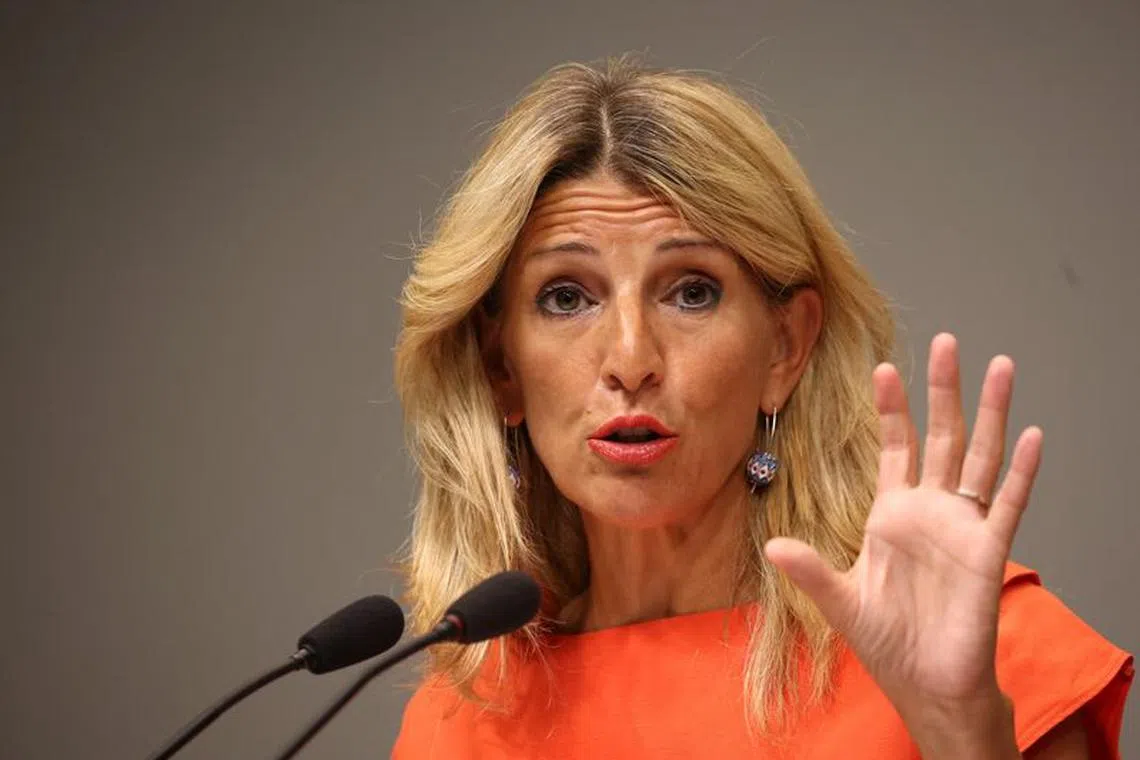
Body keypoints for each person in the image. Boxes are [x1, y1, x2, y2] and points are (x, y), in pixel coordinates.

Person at [389, 59, 1132, 759]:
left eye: (691, 291)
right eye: (566, 297)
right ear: (501, 370)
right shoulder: (462, 718)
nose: (629, 360)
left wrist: (960, 732)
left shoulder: (968, 643)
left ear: (784, 347)